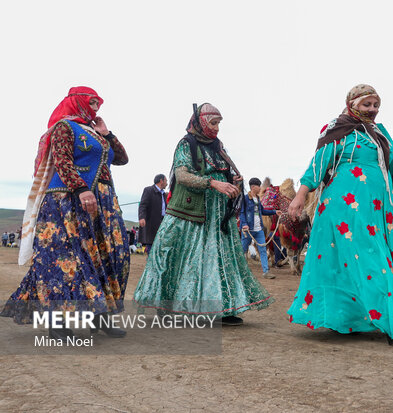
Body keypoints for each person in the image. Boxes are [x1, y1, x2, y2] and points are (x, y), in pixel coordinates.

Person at [287, 84, 393, 345]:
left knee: (370, 261)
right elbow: (317, 166)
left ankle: (349, 318)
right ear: (352, 103)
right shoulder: (337, 130)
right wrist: (301, 195)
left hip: (377, 210)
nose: (372, 110)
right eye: (367, 105)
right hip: (344, 208)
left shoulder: (379, 133)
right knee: (369, 260)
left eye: (376, 105)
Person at [0, 86, 130, 339]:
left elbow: (122, 159)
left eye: (98, 104)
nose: (96, 108)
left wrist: (108, 133)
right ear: (78, 102)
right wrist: (81, 189)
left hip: (102, 201)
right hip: (68, 199)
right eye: (92, 103)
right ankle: (56, 322)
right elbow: (62, 160)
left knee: (107, 255)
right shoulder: (64, 127)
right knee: (64, 260)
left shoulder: (96, 134)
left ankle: (99, 316)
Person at [133, 103, 273, 326]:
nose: (217, 128)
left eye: (219, 124)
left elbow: (229, 171)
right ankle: (170, 307)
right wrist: (212, 183)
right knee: (182, 257)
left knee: (219, 260)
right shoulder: (186, 144)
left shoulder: (218, 147)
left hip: (218, 217)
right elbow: (182, 175)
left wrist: (233, 180)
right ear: (201, 122)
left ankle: (223, 308)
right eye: (213, 123)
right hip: (190, 212)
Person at [240, 177, 280, 279]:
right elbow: (242, 213)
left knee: (262, 249)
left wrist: (275, 211)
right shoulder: (244, 198)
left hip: (259, 230)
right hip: (248, 230)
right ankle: (240, 271)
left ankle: (266, 272)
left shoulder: (257, 199)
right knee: (243, 250)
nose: (260, 188)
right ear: (253, 187)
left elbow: (263, 211)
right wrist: (244, 224)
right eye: (259, 186)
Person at [138, 174, 168, 254]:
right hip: (151, 223)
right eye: (166, 181)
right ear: (161, 181)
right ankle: (150, 265)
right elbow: (143, 205)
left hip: (162, 223)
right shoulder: (149, 190)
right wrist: (141, 217)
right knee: (151, 247)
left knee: (160, 246)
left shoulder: (163, 194)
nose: (167, 183)